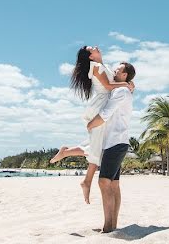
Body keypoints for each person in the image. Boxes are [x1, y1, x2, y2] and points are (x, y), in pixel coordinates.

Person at [49, 47, 133, 203]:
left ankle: (72, 160)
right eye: (91, 49)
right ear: (91, 56)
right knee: (96, 146)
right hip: (100, 106)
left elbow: (115, 82)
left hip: (103, 104)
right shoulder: (96, 67)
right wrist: (125, 85)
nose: (96, 47)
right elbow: (108, 87)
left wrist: (127, 84)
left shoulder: (103, 65)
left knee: (96, 145)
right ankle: (85, 180)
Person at [86, 62, 135, 234]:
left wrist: (91, 124)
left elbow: (106, 114)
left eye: (118, 69)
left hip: (115, 143)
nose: (114, 70)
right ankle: (112, 224)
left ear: (125, 75)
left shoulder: (121, 91)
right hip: (118, 142)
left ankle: (108, 227)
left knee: (104, 182)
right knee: (113, 184)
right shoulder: (122, 89)